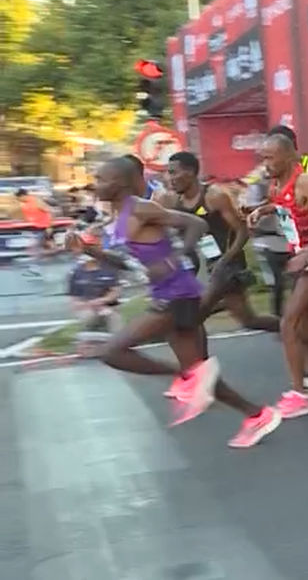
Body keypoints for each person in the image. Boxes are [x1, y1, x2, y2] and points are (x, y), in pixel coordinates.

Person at [80, 157, 280, 448]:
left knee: (111, 351)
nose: (94, 184)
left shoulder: (140, 207)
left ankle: (186, 378)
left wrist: (175, 260)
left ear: (120, 184)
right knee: (201, 374)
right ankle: (257, 415)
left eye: (101, 179)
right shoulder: (117, 216)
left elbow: (196, 224)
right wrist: (91, 252)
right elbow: (128, 263)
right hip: (165, 294)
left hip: (176, 296)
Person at [245, 134, 308, 418]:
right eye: (262, 158)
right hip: (301, 256)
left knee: (289, 322)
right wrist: (262, 210)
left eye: (270, 158)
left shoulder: (303, 179)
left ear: (289, 156)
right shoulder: (275, 181)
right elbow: (286, 207)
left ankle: (298, 392)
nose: (265, 164)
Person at [159, 152, 281, 333]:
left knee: (193, 317)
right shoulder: (172, 201)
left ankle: (196, 356)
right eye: (168, 173)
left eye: (174, 172)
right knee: (249, 320)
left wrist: (225, 260)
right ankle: (295, 327)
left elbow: (242, 231)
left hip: (226, 264)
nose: (170, 178)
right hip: (201, 266)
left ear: (191, 172)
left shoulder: (214, 196)